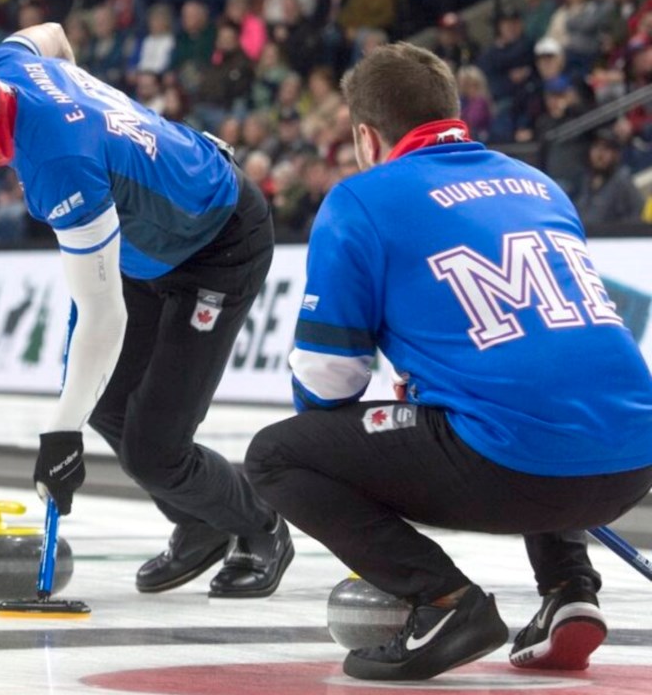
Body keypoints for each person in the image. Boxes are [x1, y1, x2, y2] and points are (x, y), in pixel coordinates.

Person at [245, 42, 652, 681]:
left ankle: (443, 602)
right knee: (525, 396)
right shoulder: (538, 183)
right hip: (633, 458)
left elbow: (330, 377)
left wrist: (354, 462)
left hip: (516, 464)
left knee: (277, 455)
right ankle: (570, 587)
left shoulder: (363, 200)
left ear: (365, 136)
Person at [0, 24, 290, 599]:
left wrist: (60, 433)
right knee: (105, 400)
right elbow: (51, 35)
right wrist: (78, 88)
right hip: (147, 244)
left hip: (218, 244)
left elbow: (101, 316)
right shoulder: (3, 64)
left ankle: (261, 526)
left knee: (156, 450)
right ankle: (200, 521)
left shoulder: (58, 161)